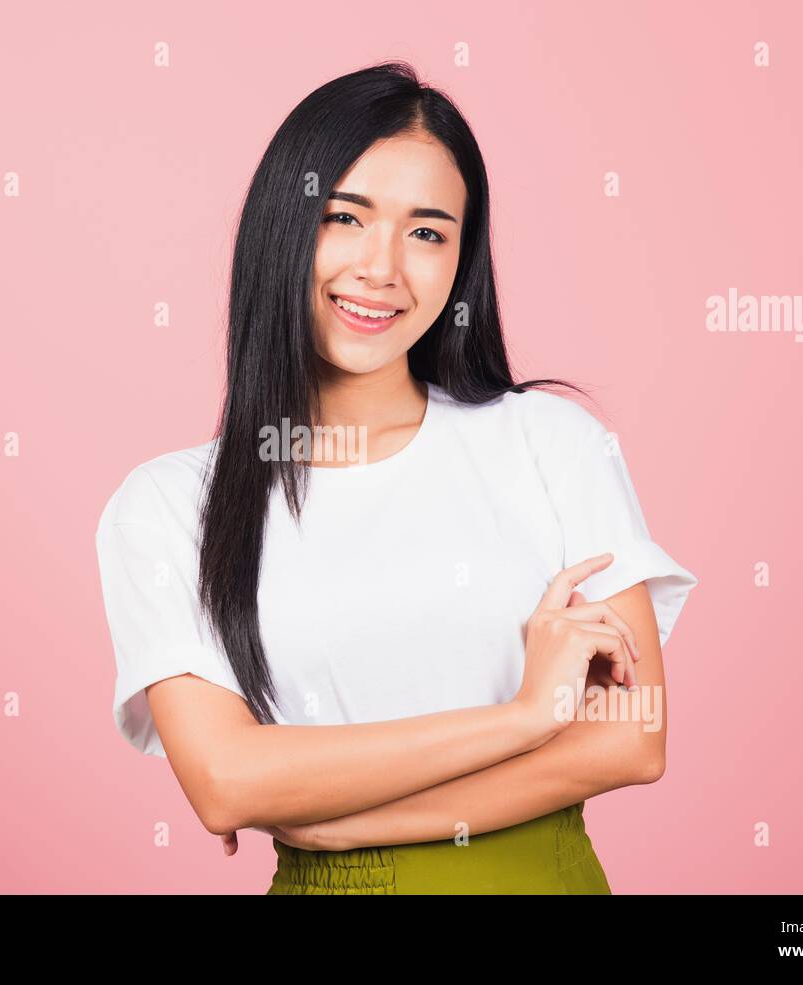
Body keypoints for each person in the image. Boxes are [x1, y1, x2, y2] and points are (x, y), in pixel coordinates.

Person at [95, 61, 697, 894]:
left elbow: (632, 737)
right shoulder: (166, 507)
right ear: (283, 227)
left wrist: (343, 821)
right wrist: (527, 718)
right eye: (346, 217)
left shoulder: (548, 443)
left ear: (461, 261)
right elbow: (226, 781)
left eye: (426, 232)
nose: (382, 268)